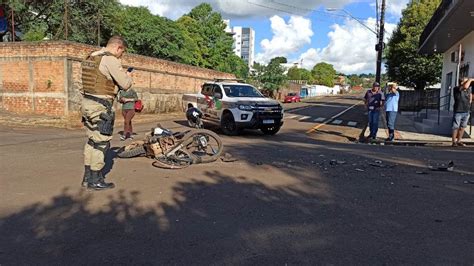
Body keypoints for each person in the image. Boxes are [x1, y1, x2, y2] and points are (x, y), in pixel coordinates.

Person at [80, 35, 133, 190]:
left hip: (87, 103)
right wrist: (128, 76)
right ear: (118, 47)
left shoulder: (91, 57)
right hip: (101, 106)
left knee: (91, 140)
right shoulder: (110, 60)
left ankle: (87, 177)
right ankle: (95, 179)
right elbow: (125, 85)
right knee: (102, 142)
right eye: (122, 52)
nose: (121, 56)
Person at [451, 77, 473, 147]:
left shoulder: (468, 90)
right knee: (456, 127)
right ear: (462, 82)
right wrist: (471, 79)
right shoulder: (457, 88)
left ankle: (459, 141)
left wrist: (470, 101)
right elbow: (465, 86)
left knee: (462, 127)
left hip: (466, 111)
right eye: (467, 81)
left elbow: (470, 98)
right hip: (458, 111)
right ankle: (454, 142)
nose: (469, 83)